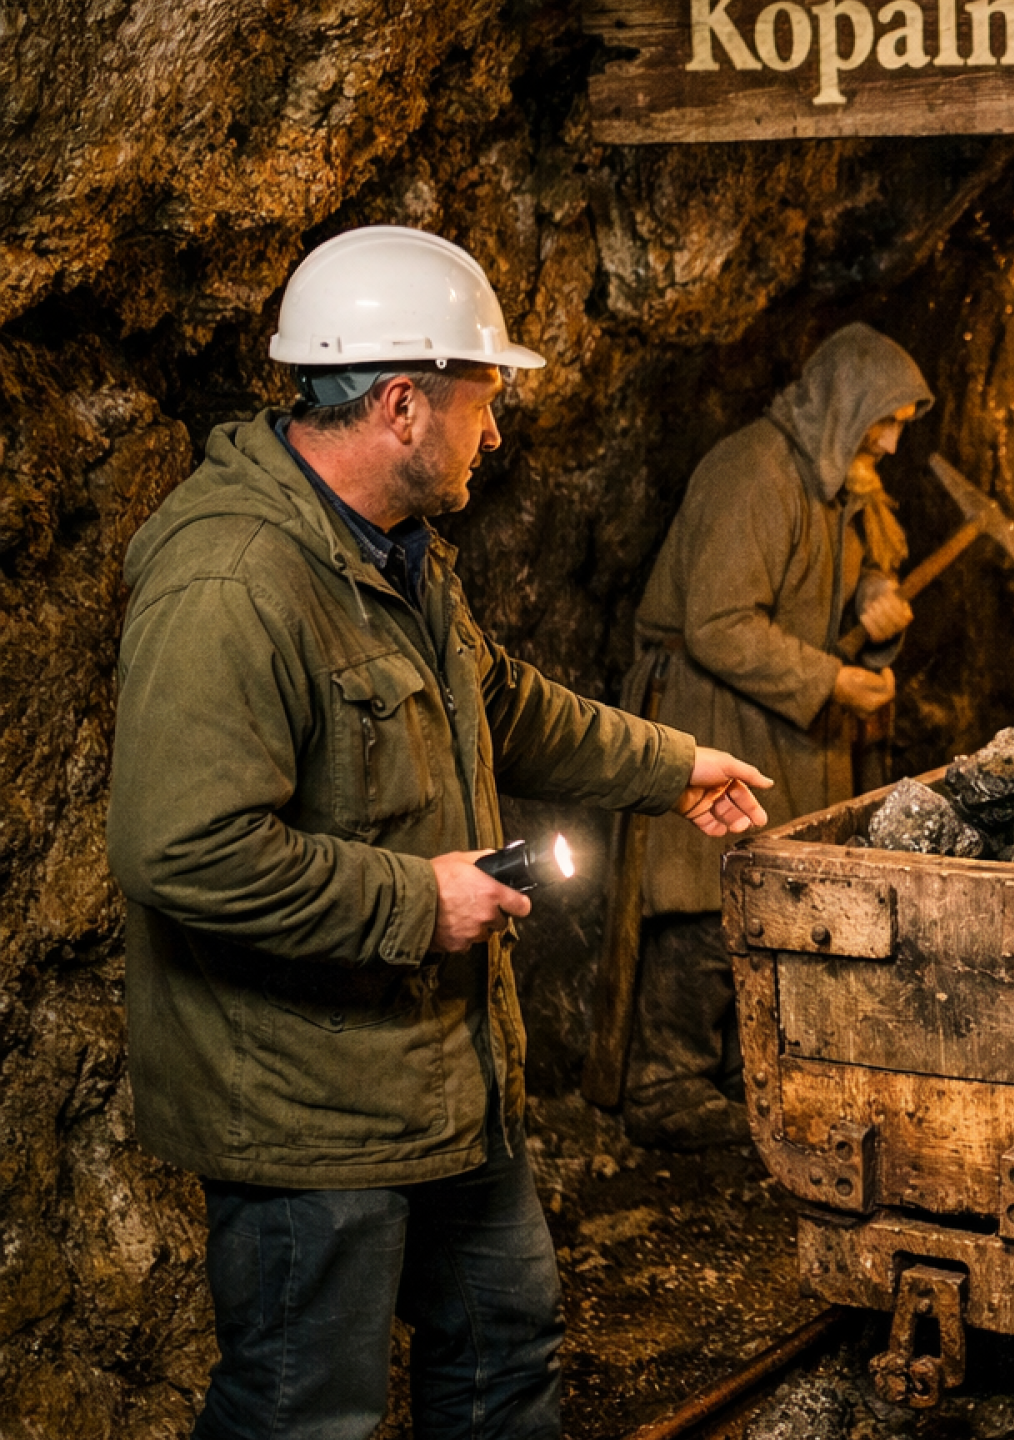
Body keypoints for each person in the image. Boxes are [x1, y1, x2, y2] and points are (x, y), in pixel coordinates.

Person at [104, 225, 774, 1440]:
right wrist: (420, 901)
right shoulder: (232, 582)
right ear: (403, 404)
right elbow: (181, 850)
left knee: (503, 1360)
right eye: (485, 400)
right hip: (308, 1113)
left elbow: (494, 699)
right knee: (307, 1413)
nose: (497, 433)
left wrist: (670, 766)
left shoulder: (396, 556)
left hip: (446, 1079)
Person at [617, 322, 930, 1148]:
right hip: (711, 707)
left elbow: (848, 582)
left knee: (774, 892)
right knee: (705, 891)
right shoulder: (754, 471)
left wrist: (873, 605)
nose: (892, 444)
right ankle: (665, 1082)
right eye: (884, 422)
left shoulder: (838, 487)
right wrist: (830, 680)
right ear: (846, 407)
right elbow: (717, 624)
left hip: (781, 717)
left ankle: (735, 1069)